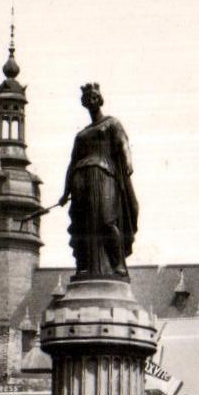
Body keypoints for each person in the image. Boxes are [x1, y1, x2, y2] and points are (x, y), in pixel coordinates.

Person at [58, 83, 139, 278]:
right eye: (87, 98)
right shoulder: (81, 135)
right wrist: (65, 192)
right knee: (82, 225)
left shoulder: (112, 123)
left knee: (107, 219)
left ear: (100, 99)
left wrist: (128, 161)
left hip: (104, 176)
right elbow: (72, 163)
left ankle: (118, 263)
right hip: (81, 180)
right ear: (84, 103)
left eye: (94, 97)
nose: (91, 100)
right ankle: (83, 265)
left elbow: (123, 143)